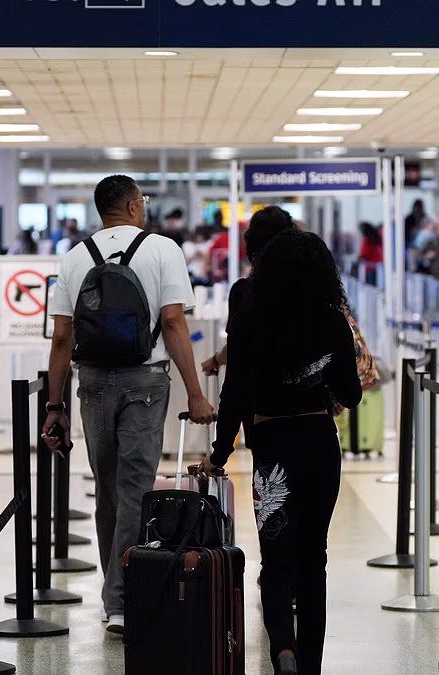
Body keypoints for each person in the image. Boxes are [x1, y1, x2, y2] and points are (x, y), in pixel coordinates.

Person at [41, 175, 214, 635]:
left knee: (110, 489)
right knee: (137, 488)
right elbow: (174, 322)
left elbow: (61, 337)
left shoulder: (76, 256)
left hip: (92, 382)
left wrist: (53, 406)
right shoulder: (163, 250)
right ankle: (121, 599)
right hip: (145, 381)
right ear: (135, 206)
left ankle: (114, 593)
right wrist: (195, 392)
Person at [198, 228, 362, 675]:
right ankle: (310, 664)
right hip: (319, 445)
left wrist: (219, 452)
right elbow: (352, 393)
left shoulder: (251, 322)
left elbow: (234, 395)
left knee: (276, 558)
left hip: (271, 449)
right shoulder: (332, 322)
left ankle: (282, 651)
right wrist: (321, 382)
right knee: (314, 557)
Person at [201, 206, 297, 377]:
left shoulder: (244, 291)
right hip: (302, 393)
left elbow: (236, 347)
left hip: (256, 392)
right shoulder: (310, 288)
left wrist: (216, 360)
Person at [357, 222, 384, 286]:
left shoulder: (367, 240)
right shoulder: (378, 238)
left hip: (370, 270)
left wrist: (360, 258)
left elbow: (363, 254)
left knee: (370, 290)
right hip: (378, 269)